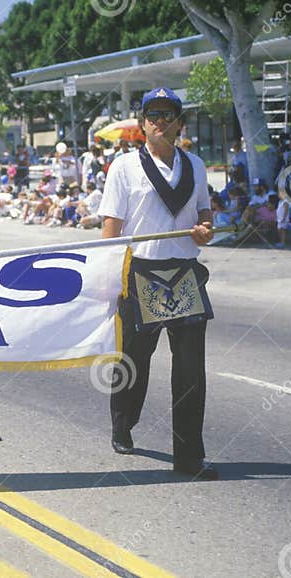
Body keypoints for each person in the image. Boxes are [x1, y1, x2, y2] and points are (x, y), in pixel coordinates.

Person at [98, 88, 218, 480]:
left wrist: (203, 231)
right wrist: (108, 278)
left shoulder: (196, 165)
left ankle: (188, 458)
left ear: (180, 123)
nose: (160, 121)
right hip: (141, 272)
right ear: (142, 123)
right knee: (134, 360)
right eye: (152, 115)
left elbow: (204, 216)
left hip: (183, 271)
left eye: (168, 115)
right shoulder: (123, 168)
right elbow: (112, 228)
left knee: (189, 370)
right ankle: (123, 422)